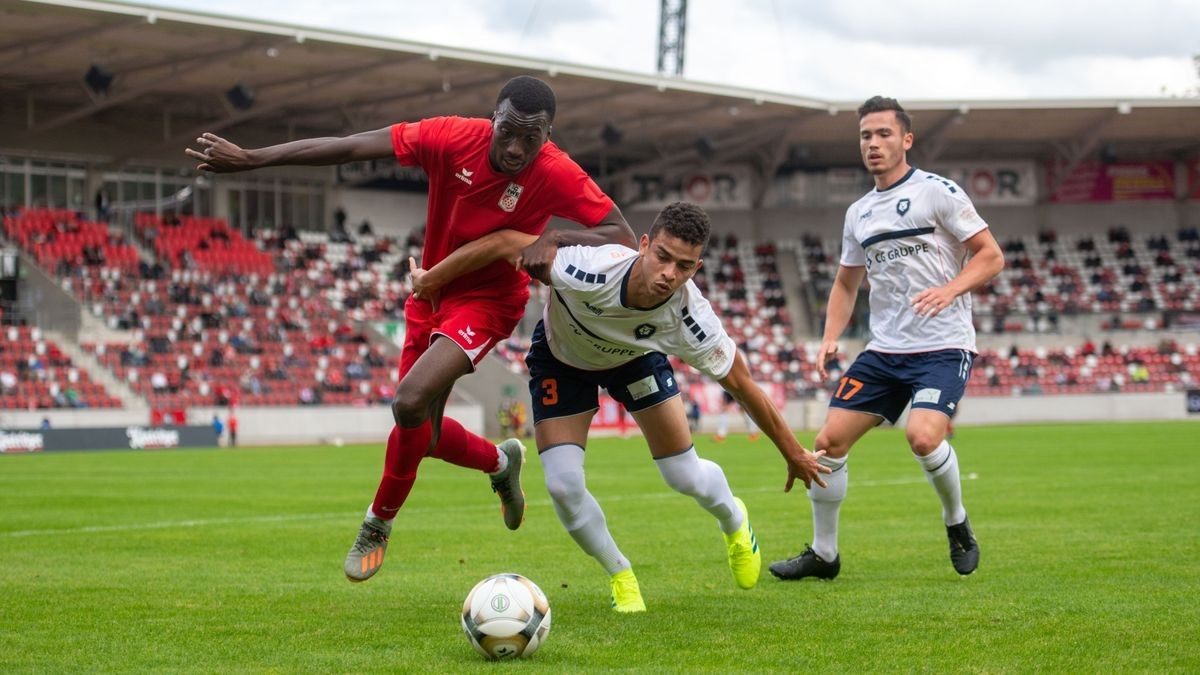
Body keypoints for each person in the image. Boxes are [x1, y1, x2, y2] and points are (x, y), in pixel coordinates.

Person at [187, 75, 636, 583]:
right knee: (424, 433)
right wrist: (253, 159)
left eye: (529, 139)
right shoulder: (450, 137)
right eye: (507, 131)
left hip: (488, 301)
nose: (514, 148)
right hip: (429, 293)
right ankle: (498, 462)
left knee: (407, 401)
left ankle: (377, 523)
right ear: (494, 117)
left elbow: (619, 233)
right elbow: (351, 146)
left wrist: (554, 236)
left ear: (547, 135)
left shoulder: (556, 172)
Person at [418, 202, 829, 611]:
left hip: (634, 359)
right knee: (562, 485)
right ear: (644, 245)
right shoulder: (586, 268)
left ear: (696, 269)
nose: (669, 274)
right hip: (563, 361)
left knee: (682, 475)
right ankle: (620, 574)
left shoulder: (690, 317)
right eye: (662, 257)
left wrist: (793, 452)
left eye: (683, 266)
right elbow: (506, 242)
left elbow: (742, 383)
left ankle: (734, 521)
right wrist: (431, 280)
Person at [768, 96, 1004, 582]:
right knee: (828, 441)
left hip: (943, 345)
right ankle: (825, 555)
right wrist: (830, 336)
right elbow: (846, 282)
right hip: (885, 350)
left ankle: (956, 522)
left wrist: (950, 289)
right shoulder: (858, 213)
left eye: (883, 134)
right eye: (865, 136)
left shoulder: (938, 192)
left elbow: (990, 256)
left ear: (906, 140)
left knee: (921, 437)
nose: (873, 144)